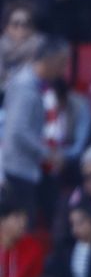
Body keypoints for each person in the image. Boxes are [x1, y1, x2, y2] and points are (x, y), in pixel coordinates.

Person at [2, 37, 70, 219]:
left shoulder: (39, 85)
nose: (64, 69)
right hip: (20, 169)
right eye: (62, 63)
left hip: (33, 167)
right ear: (50, 60)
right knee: (24, 224)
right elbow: (18, 131)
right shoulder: (24, 88)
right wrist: (48, 153)